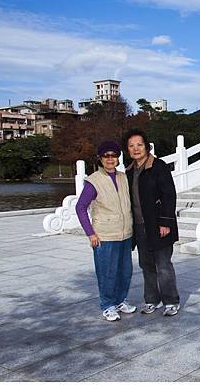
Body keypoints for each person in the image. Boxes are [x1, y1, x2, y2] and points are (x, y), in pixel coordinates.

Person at [122, 129, 180, 316]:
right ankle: (151, 300)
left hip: (158, 225)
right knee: (146, 265)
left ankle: (171, 301)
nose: (136, 149)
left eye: (139, 144)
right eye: (131, 146)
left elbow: (169, 196)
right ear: (127, 150)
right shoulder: (129, 171)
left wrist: (165, 223)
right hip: (139, 226)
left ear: (147, 146)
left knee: (163, 264)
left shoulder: (159, 166)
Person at [75, 140, 136, 322]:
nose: (110, 159)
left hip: (125, 233)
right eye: (106, 156)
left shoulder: (123, 177)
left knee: (125, 271)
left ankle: (119, 301)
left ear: (118, 157)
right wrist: (90, 233)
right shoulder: (93, 181)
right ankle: (107, 305)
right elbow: (80, 207)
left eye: (114, 155)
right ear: (100, 159)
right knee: (107, 272)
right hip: (105, 235)